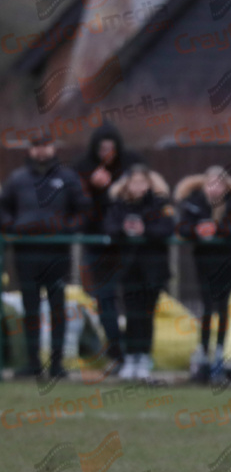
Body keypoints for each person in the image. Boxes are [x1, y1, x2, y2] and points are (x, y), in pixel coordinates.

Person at [0, 133, 90, 377]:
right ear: (30, 150)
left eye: (45, 145)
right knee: (30, 309)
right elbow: (3, 207)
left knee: (57, 308)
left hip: (57, 253)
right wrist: (13, 226)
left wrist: (66, 229)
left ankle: (57, 364)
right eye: (36, 146)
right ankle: (32, 363)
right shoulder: (17, 179)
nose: (41, 151)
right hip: (25, 253)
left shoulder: (67, 178)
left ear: (53, 148)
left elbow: (83, 210)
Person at [175, 166, 231, 384]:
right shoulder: (194, 203)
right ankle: (202, 354)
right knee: (207, 307)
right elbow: (182, 228)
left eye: (218, 184)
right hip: (203, 263)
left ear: (226, 186)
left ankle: (219, 354)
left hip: (228, 263)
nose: (214, 188)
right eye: (210, 184)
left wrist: (217, 229)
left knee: (223, 307)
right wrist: (197, 230)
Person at [75, 123, 144, 366]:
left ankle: (138, 354)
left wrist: (116, 187)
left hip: (126, 245)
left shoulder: (132, 165)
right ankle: (117, 352)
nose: (107, 152)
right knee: (104, 299)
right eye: (102, 148)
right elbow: (77, 206)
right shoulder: (83, 168)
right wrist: (91, 187)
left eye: (110, 148)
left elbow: (144, 196)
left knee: (134, 298)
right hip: (97, 245)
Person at [103, 165, 175, 380]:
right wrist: (124, 229)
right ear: (127, 184)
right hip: (128, 271)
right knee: (132, 315)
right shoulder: (119, 206)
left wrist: (146, 231)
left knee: (147, 315)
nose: (138, 186)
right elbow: (109, 227)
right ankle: (130, 357)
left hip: (153, 271)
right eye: (134, 182)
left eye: (142, 182)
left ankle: (144, 357)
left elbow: (167, 228)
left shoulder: (160, 204)